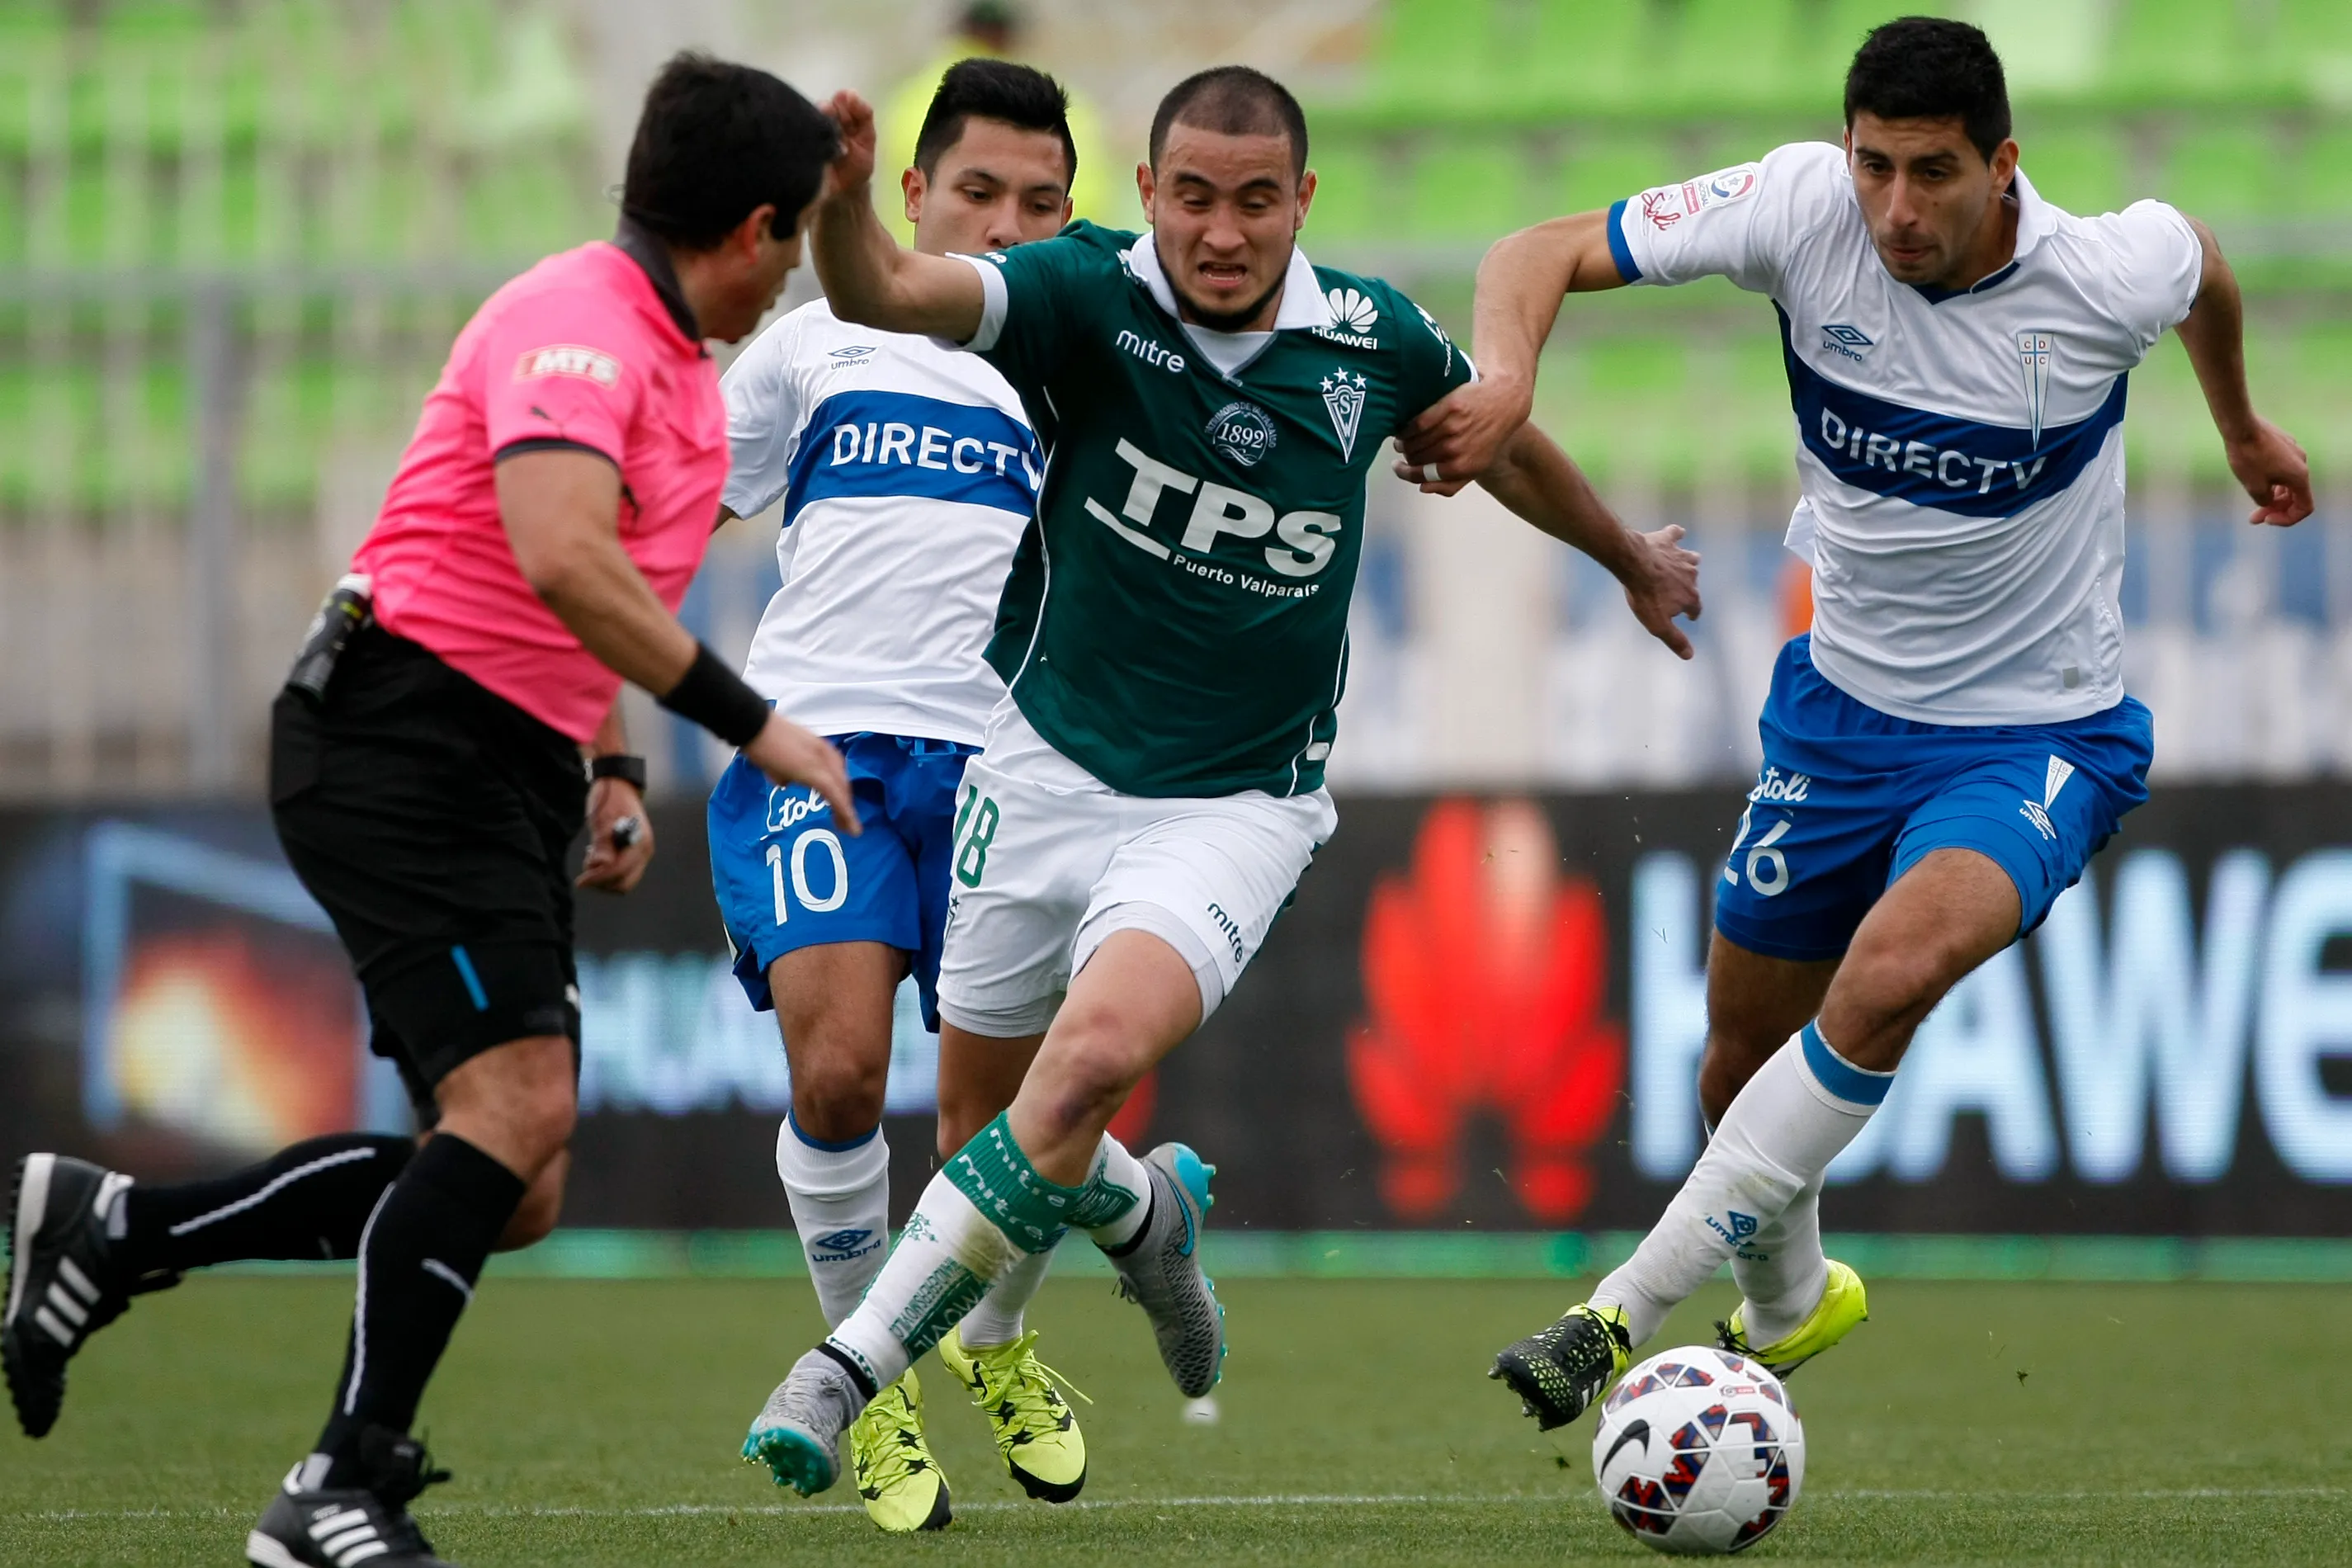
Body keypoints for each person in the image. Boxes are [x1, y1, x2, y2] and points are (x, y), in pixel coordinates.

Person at [738, 63, 1704, 1497]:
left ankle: (846, 1372)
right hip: (1040, 761)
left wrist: (1626, 556)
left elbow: (1492, 444)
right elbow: (883, 289)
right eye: (1192, 196)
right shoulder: (1077, 294)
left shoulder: (1368, 337)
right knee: (980, 1137)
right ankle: (1148, 1225)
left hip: (1233, 806)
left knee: (1082, 1069)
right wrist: (830, 204)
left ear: (1300, 202)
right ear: (1150, 197)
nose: (1222, 231)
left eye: (1256, 201)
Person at [1399, 17, 2314, 1430]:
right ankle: (1788, 1298)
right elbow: (1531, 250)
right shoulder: (1797, 210)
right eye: (1873, 166)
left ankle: (1613, 1314)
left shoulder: (2101, 270)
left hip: (2036, 736)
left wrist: (2241, 427)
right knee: (1733, 1063)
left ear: (2004, 166)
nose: (1895, 209)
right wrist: (1510, 379)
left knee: (1887, 975)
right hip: (1838, 719)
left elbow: (2202, 264)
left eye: (1933, 173)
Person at [2, 53, 850, 1568]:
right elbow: (554, 553)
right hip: (401, 736)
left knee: (516, 1184)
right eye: (789, 246)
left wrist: (608, 769)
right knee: (510, 1117)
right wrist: (750, 727)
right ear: (752, 225)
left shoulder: (676, 380)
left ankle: (120, 1236)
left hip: (499, 759)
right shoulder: (576, 321)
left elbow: (595, 601)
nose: (787, 283)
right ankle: (340, 1483)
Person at [708, 58, 1087, 1533]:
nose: (1003, 222)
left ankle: (989, 1340)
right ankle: (865, 1393)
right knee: (842, 1077)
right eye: (977, 191)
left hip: (1010, 766)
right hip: (824, 750)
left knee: (1019, 1118)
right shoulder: (811, 348)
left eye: (1038, 202)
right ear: (914, 192)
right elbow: (669, 506)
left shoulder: (1073, 361)